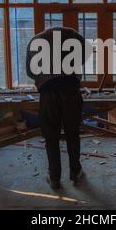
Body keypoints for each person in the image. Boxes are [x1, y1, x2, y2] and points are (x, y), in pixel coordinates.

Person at [26, 27, 90, 190]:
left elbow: (30, 72)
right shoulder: (75, 35)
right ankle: (75, 172)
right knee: (72, 133)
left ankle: (54, 178)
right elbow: (86, 54)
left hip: (48, 91)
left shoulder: (35, 40)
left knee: (51, 135)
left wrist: (45, 75)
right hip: (70, 89)